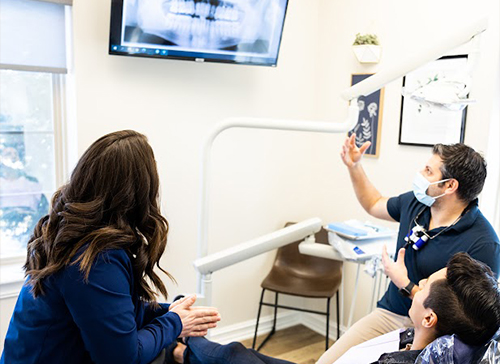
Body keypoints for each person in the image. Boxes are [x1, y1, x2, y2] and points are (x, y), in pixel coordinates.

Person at [1, 130, 221, 364]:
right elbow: (123, 358)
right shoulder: (94, 259)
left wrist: (167, 312)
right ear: (137, 191)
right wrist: (175, 323)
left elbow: (108, 312)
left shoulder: (69, 235)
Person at [316, 135, 500, 363]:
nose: (420, 174)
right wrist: (354, 166)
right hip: (390, 314)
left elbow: (474, 318)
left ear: (450, 185)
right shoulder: (418, 203)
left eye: (428, 171)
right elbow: (374, 203)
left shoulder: (483, 243)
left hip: (435, 335)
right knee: (329, 361)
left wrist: (406, 285)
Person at [151, 252, 500, 364]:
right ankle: (178, 346)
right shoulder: (416, 338)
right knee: (240, 354)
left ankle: (176, 344)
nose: (416, 284)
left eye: (423, 285)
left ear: (429, 317)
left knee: (236, 357)